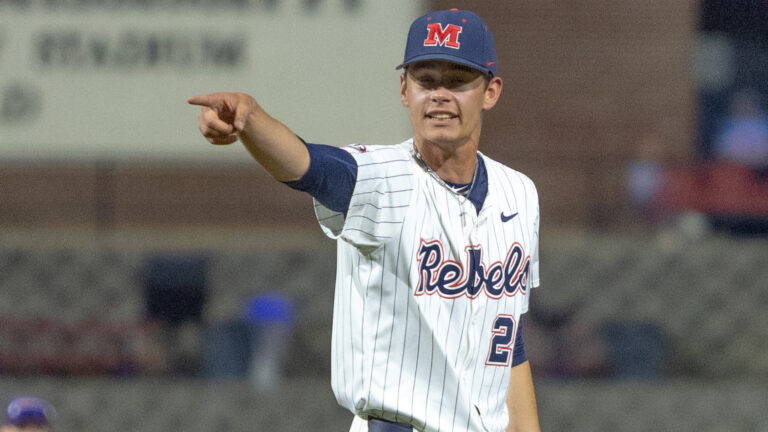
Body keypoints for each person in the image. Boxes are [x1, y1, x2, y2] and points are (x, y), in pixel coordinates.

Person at [189, 9, 541, 432]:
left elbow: (506, 339)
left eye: (458, 80)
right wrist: (250, 120)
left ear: (491, 91)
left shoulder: (519, 192)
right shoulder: (383, 177)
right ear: (404, 90)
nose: (440, 94)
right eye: (426, 80)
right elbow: (309, 165)